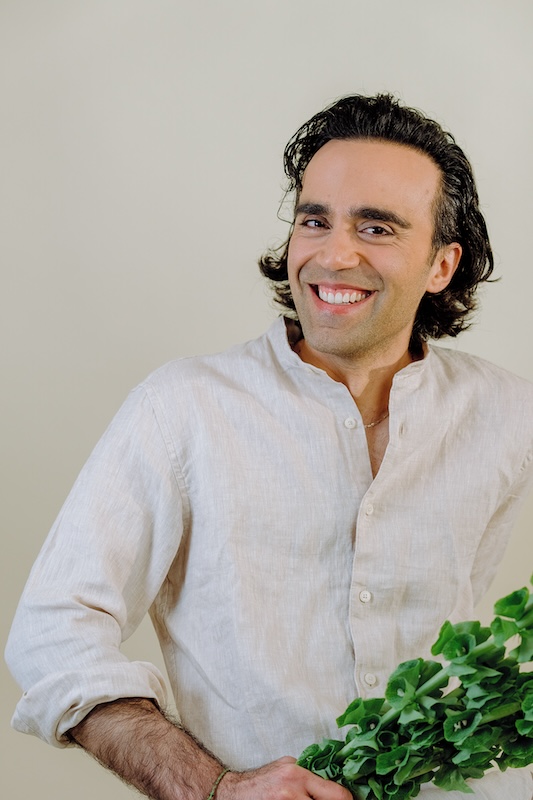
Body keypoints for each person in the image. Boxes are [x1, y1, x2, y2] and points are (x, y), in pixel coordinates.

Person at [5, 94, 533, 800]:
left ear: (442, 265)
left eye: (376, 227)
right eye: (314, 220)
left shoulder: (506, 412)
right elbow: (52, 632)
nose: (332, 254)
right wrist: (213, 786)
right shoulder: (182, 407)